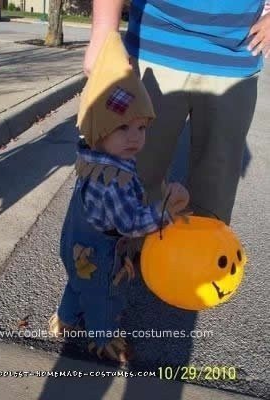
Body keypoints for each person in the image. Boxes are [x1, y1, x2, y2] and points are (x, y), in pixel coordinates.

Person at [48, 32, 189, 363]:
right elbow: (131, 223)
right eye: (123, 128)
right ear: (99, 128)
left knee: (77, 283)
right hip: (100, 258)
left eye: (141, 129)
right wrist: (167, 205)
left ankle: (64, 320)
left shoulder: (92, 159)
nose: (136, 138)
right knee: (104, 298)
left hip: (74, 246)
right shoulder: (116, 181)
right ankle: (104, 338)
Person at [84, 0, 270, 225]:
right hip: (154, 43)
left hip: (236, 56)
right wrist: (104, 31)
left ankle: (197, 258)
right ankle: (129, 257)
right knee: (131, 183)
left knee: (214, 200)